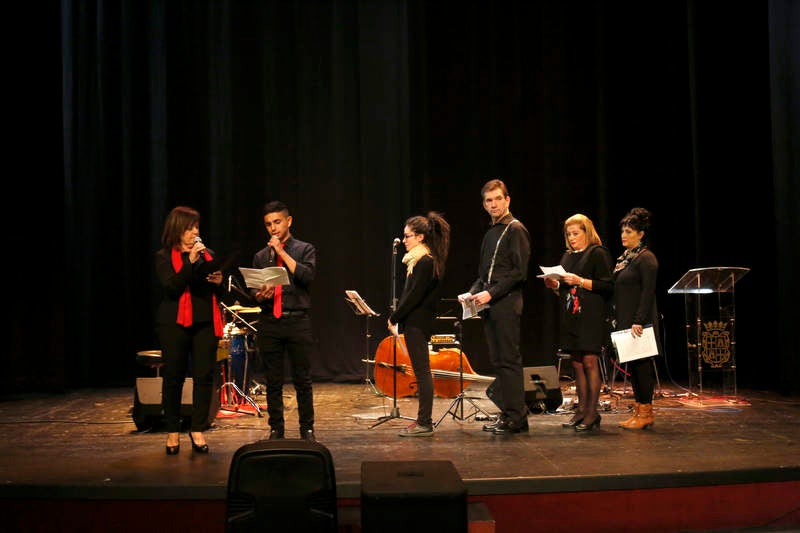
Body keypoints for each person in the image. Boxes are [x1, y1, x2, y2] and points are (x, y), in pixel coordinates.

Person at [460, 179, 531, 435]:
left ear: (507, 200)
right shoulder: (491, 232)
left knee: (509, 360)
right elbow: (484, 273)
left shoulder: (515, 229)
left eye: (498, 199)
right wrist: (471, 292)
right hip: (491, 303)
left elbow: (518, 273)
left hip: (506, 302)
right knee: (499, 361)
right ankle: (507, 412)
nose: (493, 204)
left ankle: (518, 418)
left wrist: (490, 293)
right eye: (489, 201)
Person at [154, 206, 225, 455]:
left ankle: (197, 428)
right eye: (189, 227)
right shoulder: (164, 256)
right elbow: (172, 287)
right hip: (173, 323)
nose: (195, 232)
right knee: (173, 376)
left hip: (205, 321)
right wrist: (189, 261)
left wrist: (219, 283)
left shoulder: (208, 255)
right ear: (177, 229)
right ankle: (173, 430)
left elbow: (217, 292)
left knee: (204, 375)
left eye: (196, 227)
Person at [251, 201, 317, 441]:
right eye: (268, 224)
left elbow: (306, 276)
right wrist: (259, 295)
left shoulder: (304, 249)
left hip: (297, 320)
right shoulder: (260, 256)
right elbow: (255, 292)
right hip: (270, 321)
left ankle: (307, 428)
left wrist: (281, 252)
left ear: (289, 221)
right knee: (273, 380)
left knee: (302, 379)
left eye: (277, 222)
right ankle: (276, 427)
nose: (273, 228)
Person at [543, 213, 613, 432]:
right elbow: (566, 290)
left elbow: (608, 286)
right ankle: (581, 410)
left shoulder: (597, 253)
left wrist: (580, 281)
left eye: (576, 233)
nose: (572, 238)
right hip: (571, 316)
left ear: (587, 232)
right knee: (576, 364)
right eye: (568, 234)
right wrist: (554, 286)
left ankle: (593, 413)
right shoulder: (567, 257)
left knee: (590, 361)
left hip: (590, 316)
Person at [388, 212, 451, 437]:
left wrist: (394, 317)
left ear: (421, 237)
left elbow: (413, 296)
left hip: (417, 323)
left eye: (408, 236)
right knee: (421, 371)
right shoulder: (420, 260)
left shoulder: (425, 262)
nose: (404, 240)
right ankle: (422, 421)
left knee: (422, 372)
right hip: (416, 323)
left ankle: (425, 422)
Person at [612, 207, 660, 430]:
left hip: (640, 323)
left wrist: (639, 320)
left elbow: (647, 293)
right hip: (627, 322)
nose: (624, 235)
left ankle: (646, 412)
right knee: (633, 369)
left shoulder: (646, 259)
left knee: (642, 368)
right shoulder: (626, 259)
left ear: (641, 234)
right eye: (623, 231)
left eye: (629, 231)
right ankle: (638, 409)